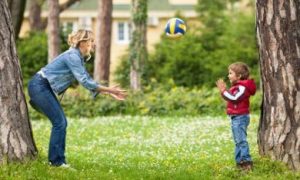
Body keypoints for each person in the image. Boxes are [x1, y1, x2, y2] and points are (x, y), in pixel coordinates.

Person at [28, 29, 127, 168]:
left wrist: (106, 92)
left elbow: (87, 80)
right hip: (40, 85)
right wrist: (109, 89)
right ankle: (56, 162)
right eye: (91, 41)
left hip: (43, 86)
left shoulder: (77, 57)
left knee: (61, 122)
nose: (93, 45)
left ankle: (57, 161)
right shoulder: (73, 56)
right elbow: (85, 81)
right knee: (60, 122)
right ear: (83, 42)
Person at [216, 62, 256, 171]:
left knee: (241, 141)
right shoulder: (238, 86)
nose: (228, 75)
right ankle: (239, 163)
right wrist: (224, 92)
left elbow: (234, 98)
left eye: (230, 73)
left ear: (238, 76)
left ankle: (246, 163)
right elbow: (232, 98)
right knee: (238, 141)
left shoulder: (243, 87)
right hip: (236, 117)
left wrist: (224, 90)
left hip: (240, 117)